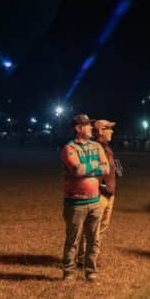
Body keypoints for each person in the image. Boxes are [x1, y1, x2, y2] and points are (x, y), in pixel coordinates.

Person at [60, 114, 109, 281]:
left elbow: (107, 169)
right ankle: (69, 272)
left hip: (94, 202)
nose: (91, 128)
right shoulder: (69, 148)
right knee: (73, 240)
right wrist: (96, 166)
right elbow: (77, 170)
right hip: (75, 202)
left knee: (93, 240)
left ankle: (91, 271)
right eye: (88, 125)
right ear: (78, 128)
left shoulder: (97, 146)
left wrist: (87, 167)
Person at [80, 119, 121, 263]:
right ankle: (84, 257)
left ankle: (93, 255)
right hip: (99, 194)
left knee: (102, 226)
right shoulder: (94, 147)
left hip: (109, 193)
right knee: (92, 228)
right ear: (101, 131)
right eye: (109, 128)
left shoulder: (107, 147)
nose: (112, 131)